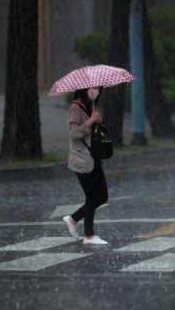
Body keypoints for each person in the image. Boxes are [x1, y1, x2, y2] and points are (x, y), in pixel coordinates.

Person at [63, 86, 109, 245]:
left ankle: (80, 226)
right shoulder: (75, 107)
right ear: (85, 89)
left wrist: (98, 122)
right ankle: (83, 229)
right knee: (96, 197)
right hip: (82, 160)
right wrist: (91, 120)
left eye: (98, 89)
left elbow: (92, 133)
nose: (96, 91)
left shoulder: (90, 106)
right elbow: (74, 133)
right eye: (93, 88)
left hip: (93, 158)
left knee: (99, 197)